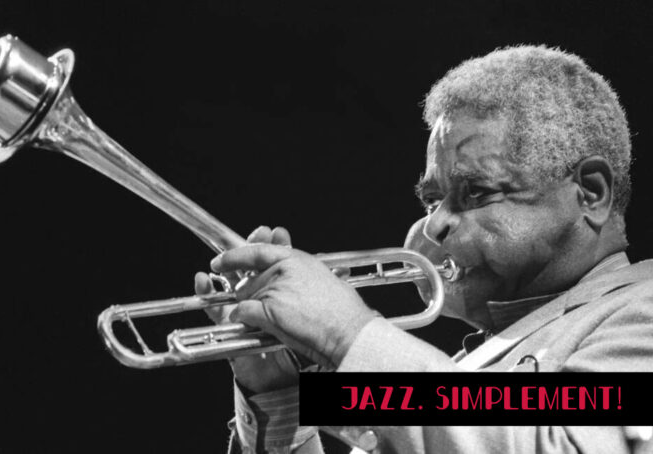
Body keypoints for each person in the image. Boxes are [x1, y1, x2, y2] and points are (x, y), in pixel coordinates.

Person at [196, 45, 653, 453]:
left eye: (476, 192)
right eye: (432, 201)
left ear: (591, 193)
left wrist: (346, 335)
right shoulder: (456, 372)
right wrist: (277, 398)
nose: (433, 225)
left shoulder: (641, 312)